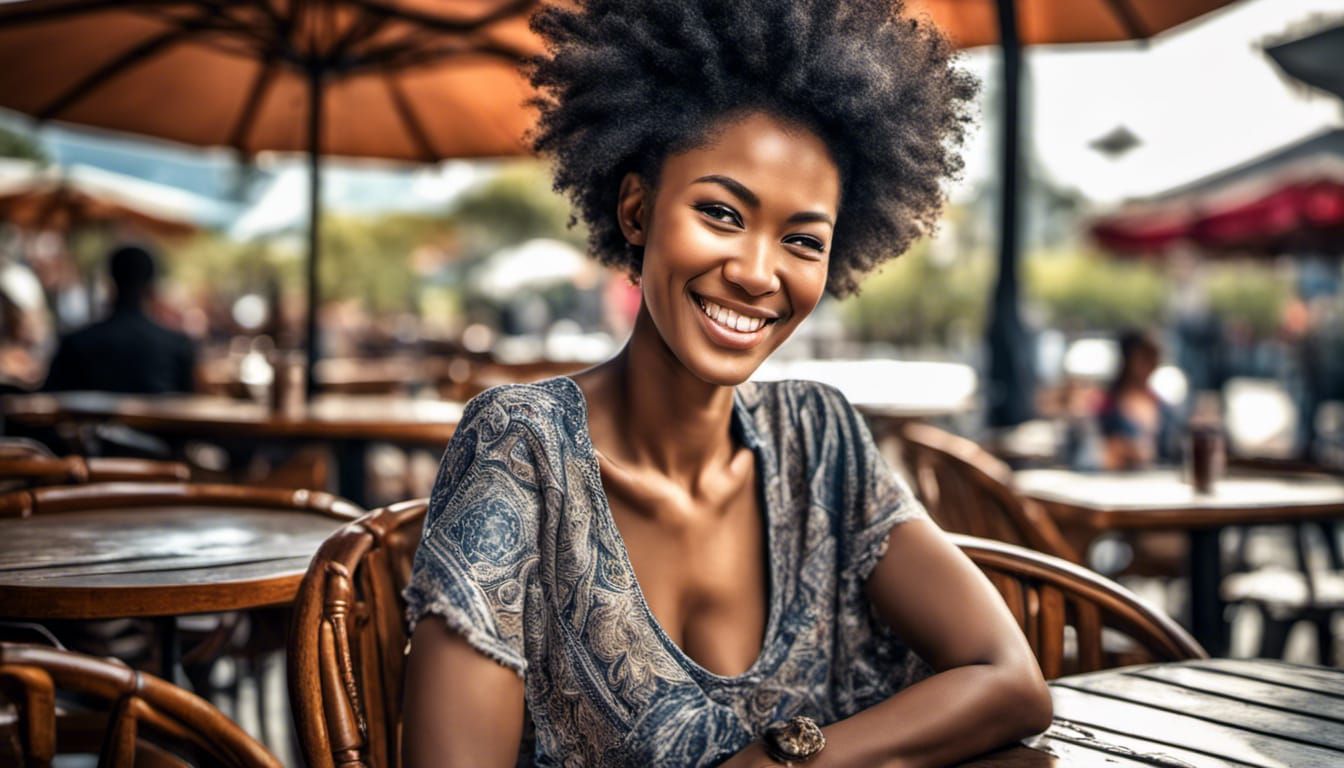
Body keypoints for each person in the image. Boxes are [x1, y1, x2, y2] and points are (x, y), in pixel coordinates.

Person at [402, 2, 1052, 766]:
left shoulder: (819, 441)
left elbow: (1013, 682)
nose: (754, 272)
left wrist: (785, 761)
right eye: (719, 213)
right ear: (638, 209)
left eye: (802, 240)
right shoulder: (523, 453)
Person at [43, 244, 196, 394]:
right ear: (151, 288)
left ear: (110, 283)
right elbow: (186, 403)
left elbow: (47, 400)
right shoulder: (178, 346)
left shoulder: (76, 343)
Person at [1098, 330, 1174, 471]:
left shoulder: (1162, 405)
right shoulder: (1107, 404)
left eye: (1153, 358)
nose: (1150, 365)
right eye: (1144, 358)